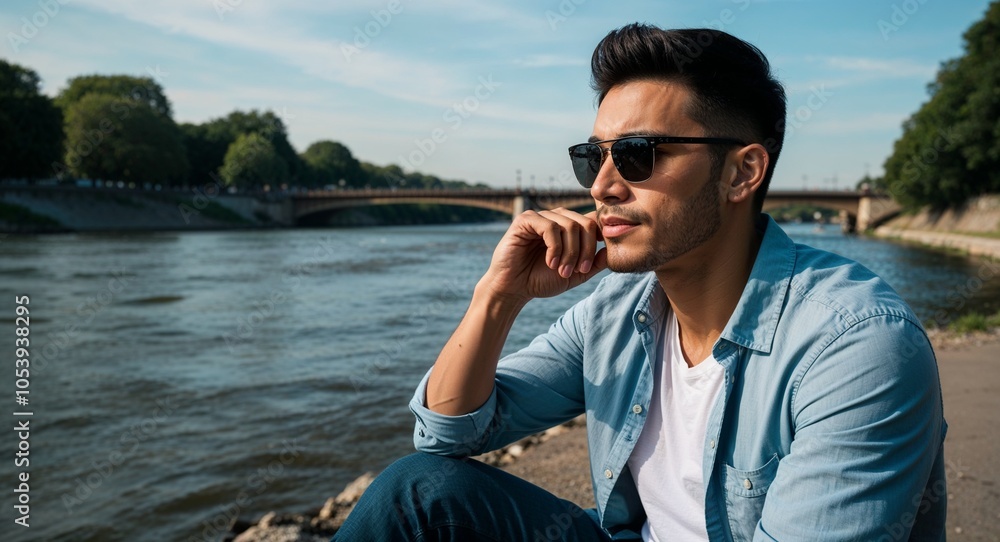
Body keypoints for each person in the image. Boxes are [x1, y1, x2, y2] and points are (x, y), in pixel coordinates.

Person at [334, 24, 947, 541]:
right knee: (416, 493)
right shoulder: (619, 308)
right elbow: (444, 435)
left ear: (742, 173)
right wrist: (499, 296)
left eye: (636, 154)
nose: (599, 186)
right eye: (591, 156)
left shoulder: (857, 347)